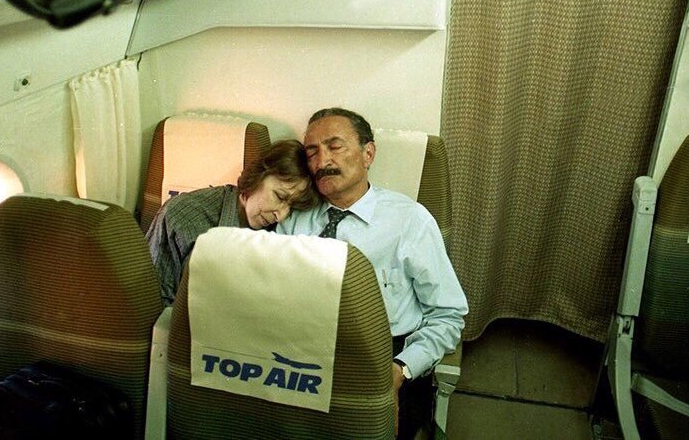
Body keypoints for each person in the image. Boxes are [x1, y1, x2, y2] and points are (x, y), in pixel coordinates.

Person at [277, 108, 468, 439]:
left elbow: (448, 316)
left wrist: (401, 369)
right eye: (312, 152)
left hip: (383, 355)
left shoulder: (410, 221)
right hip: (304, 349)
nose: (322, 161)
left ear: (368, 154)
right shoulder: (293, 218)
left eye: (335, 146)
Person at [146, 139, 318, 305]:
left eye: (291, 208)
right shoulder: (183, 215)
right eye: (279, 196)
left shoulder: (281, 234)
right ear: (258, 176)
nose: (280, 216)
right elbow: (154, 303)